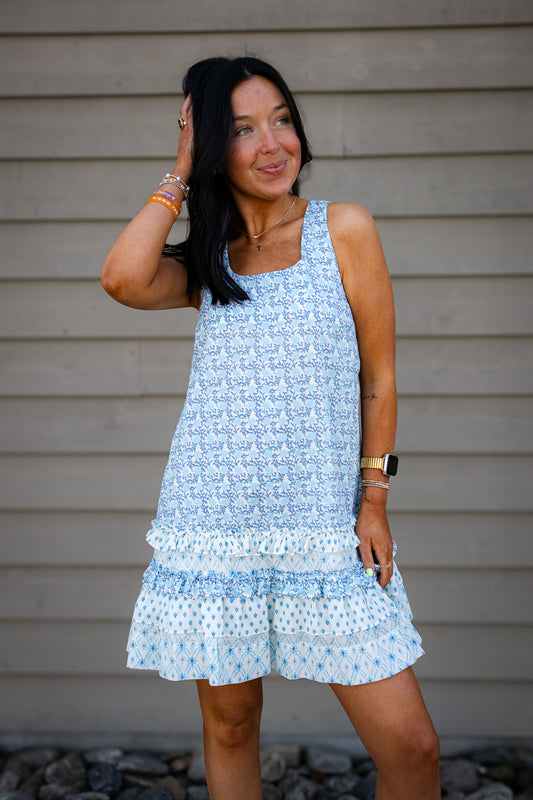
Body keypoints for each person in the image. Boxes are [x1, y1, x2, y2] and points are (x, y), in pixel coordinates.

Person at [100, 56, 440, 800]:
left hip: (324, 525)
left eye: (281, 119)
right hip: (216, 525)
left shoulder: (342, 230)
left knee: (410, 748)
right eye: (243, 129)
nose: (272, 143)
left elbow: (378, 378)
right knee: (229, 725)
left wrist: (373, 500)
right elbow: (122, 278)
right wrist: (180, 170)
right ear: (214, 146)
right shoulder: (207, 262)